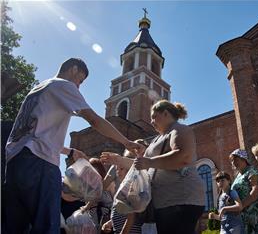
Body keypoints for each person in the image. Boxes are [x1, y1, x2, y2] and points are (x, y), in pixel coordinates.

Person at [4, 58, 142, 234]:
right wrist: (126, 142)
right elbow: (93, 119)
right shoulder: (63, 85)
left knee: (16, 227)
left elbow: (32, 133)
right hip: (40, 163)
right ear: (74, 69)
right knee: (46, 226)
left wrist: (69, 151)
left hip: (15, 163)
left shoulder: (37, 89)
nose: (78, 87)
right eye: (80, 80)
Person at [106, 100, 205, 234]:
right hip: (165, 204)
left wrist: (149, 161)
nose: (151, 121)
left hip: (181, 200)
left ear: (165, 113)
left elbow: (184, 156)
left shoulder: (179, 129)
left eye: (154, 116)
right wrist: (119, 160)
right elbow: (143, 167)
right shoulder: (157, 139)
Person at [229, 149, 258, 234]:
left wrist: (241, 205)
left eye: (236, 160)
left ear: (243, 159)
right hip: (242, 216)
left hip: (254, 214)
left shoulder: (251, 171)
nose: (233, 162)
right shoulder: (238, 176)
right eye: (232, 161)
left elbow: (256, 191)